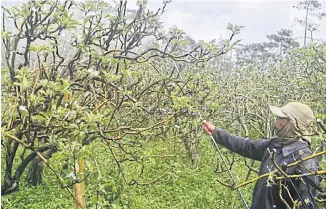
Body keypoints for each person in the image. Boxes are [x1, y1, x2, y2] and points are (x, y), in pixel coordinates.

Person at [202, 102, 321, 209]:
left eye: (282, 119)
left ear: (293, 124)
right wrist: (216, 132)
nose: (277, 121)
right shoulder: (275, 144)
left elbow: (306, 205)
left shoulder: (305, 162)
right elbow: (247, 146)